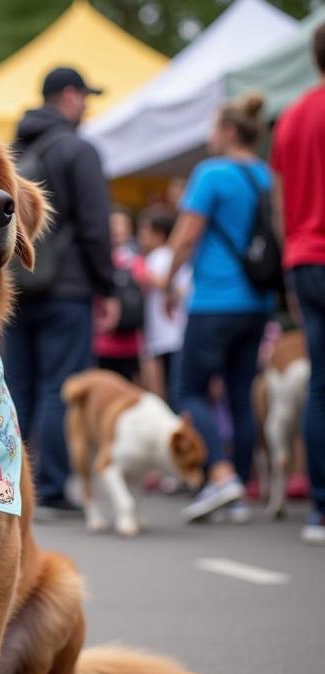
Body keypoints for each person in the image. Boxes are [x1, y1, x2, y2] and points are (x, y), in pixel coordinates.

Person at [3, 66, 118, 517]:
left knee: (19, 387)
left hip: (16, 284)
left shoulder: (12, 151)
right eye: (85, 97)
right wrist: (106, 286)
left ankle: (9, 484)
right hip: (66, 287)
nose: (87, 106)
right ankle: (48, 488)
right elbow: (95, 227)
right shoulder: (78, 149)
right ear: (69, 96)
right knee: (58, 387)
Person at [165, 92, 272, 525]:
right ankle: (240, 491)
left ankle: (222, 476)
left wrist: (168, 280)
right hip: (258, 300)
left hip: (214, 301)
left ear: (229, 131)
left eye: (212, 128)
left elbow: (188, 233)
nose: (209, 137)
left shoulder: (211, 173)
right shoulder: (266, 174)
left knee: (187, 390)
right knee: (239, 394)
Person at [270, 22, 325, 544]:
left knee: (321, 384)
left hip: (305, 259)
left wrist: (291, 265)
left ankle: (319, 510)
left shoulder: (291, 118)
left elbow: (282, 202)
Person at [138, 206, 188, 407]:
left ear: (158, 234)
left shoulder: (158, 258)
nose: (141, 237)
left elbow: (179, 291)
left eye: (144, 231)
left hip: (166, 337)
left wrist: (150, 278)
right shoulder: (175, 258)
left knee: (167, 395)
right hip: (171, 336)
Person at [94, 208, 144, 382]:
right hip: (102, 342)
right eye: (112, 224)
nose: (116, 229)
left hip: (130, 343)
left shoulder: (137, 260)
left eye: (121, 224)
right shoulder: (99, 260)